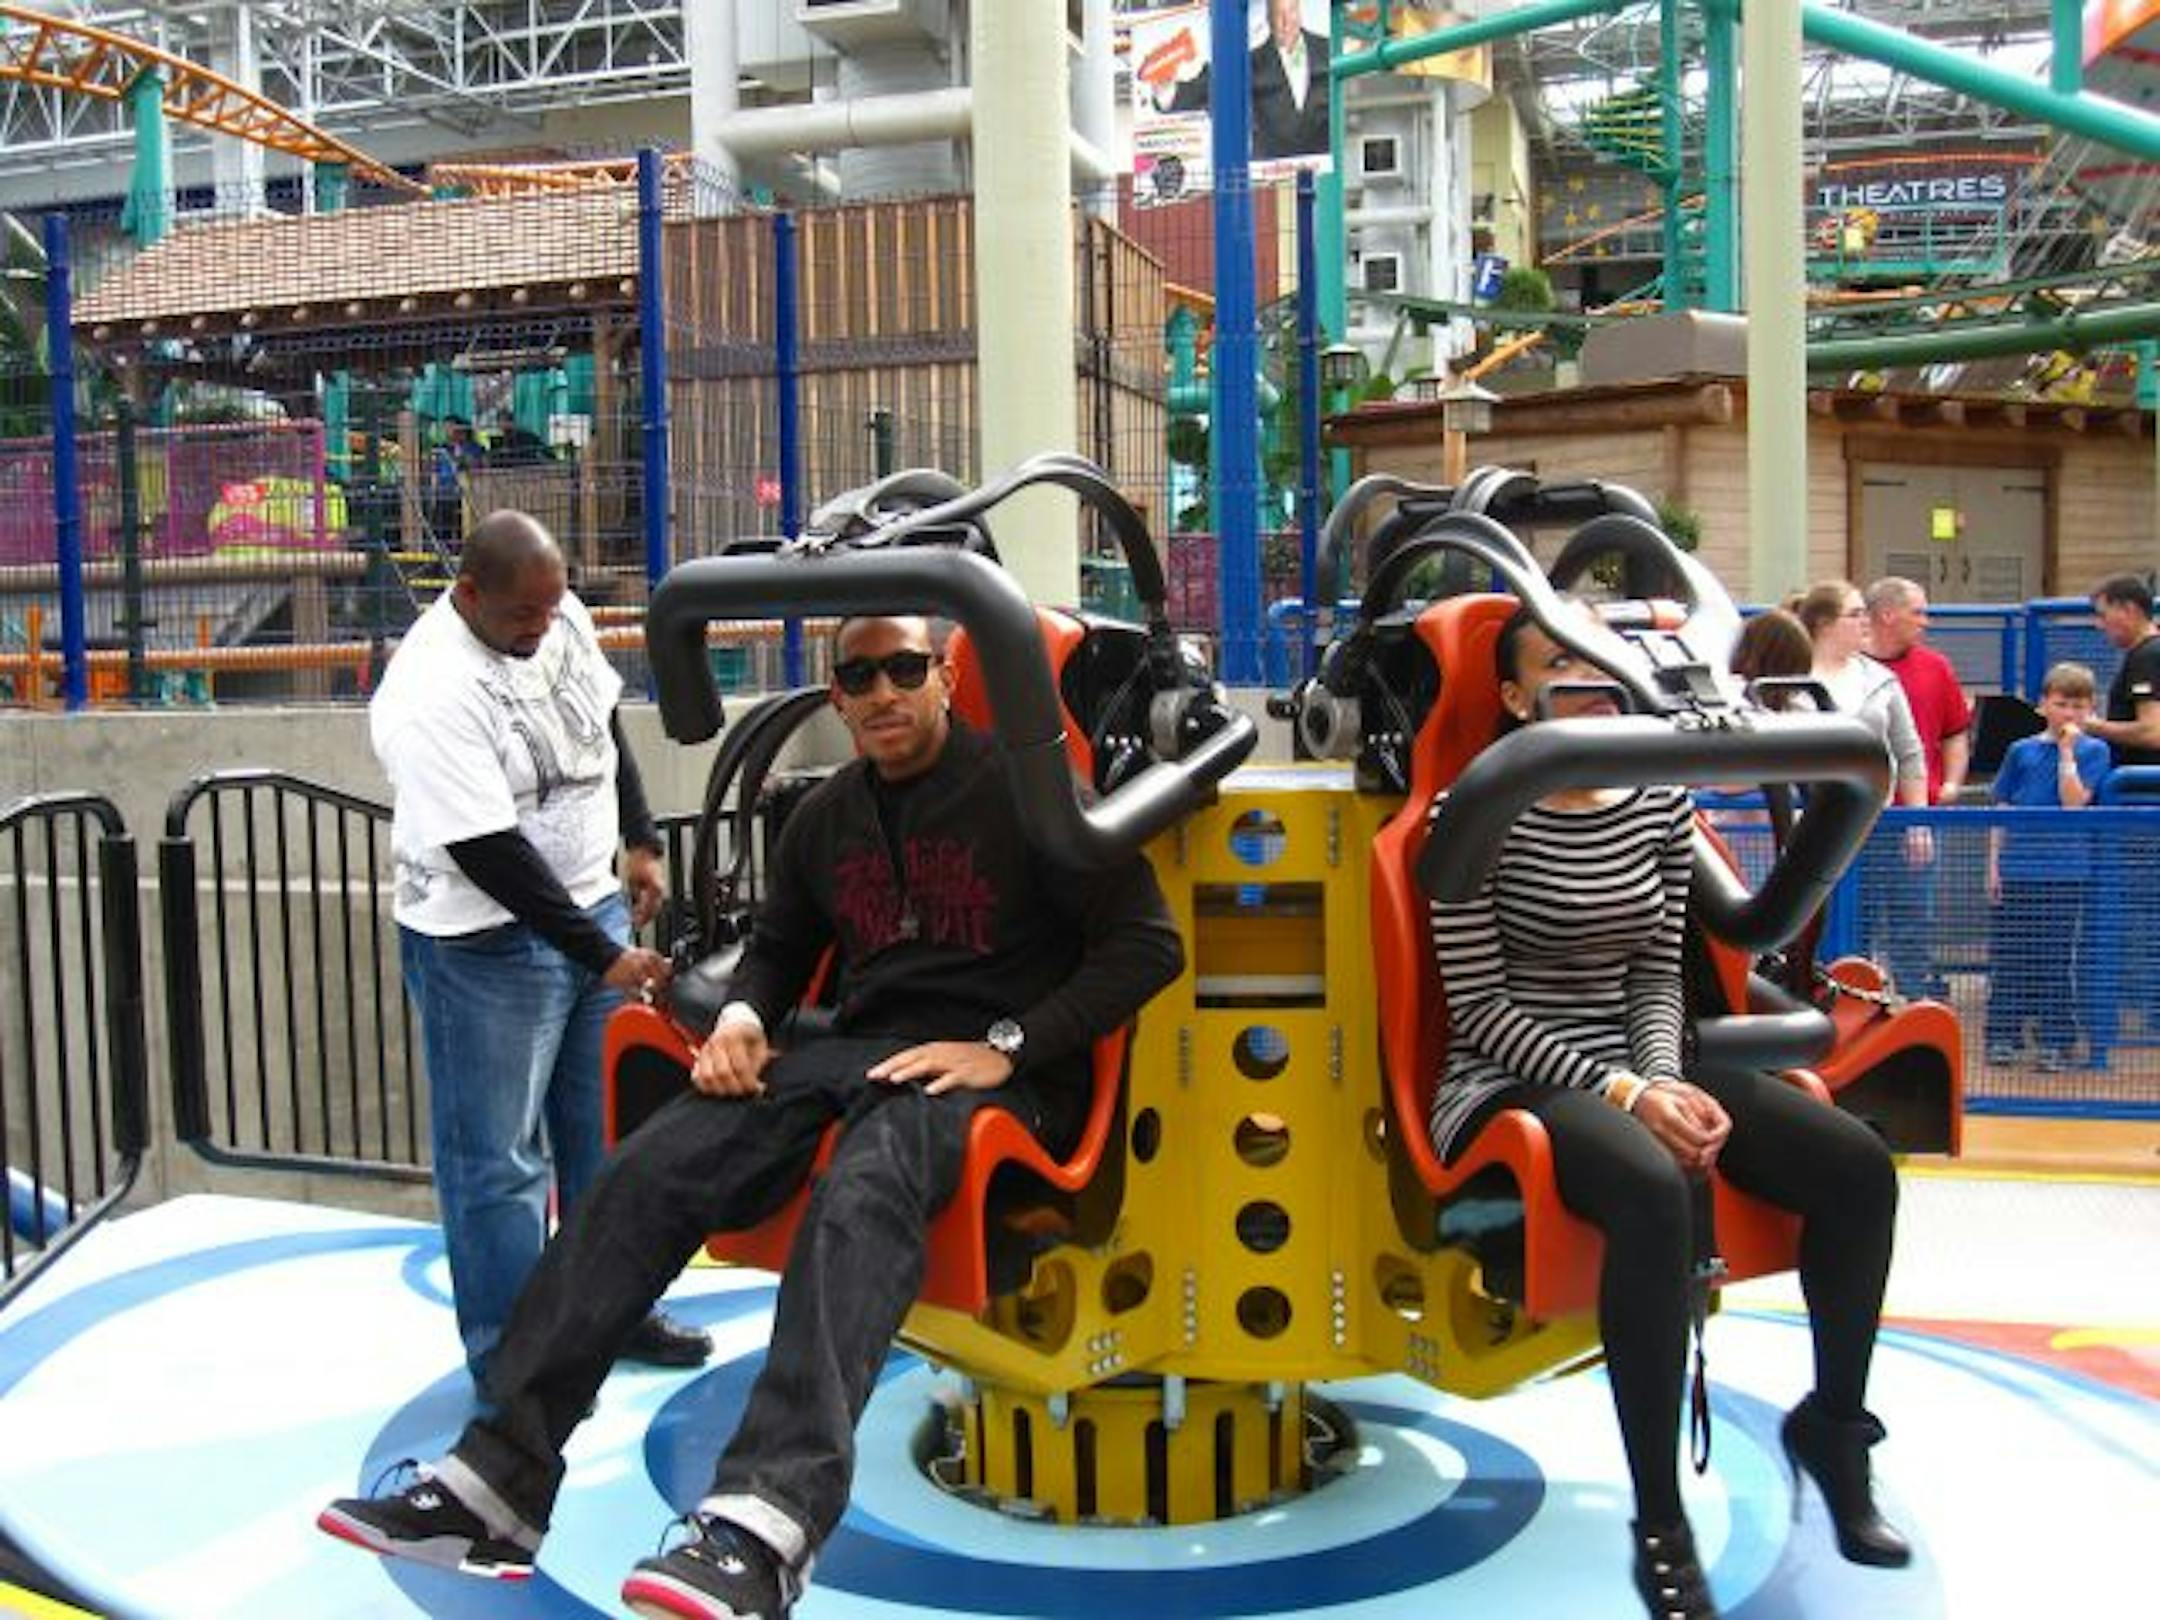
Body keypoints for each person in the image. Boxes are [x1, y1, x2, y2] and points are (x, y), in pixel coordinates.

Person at [322, 614, 1186, 1619]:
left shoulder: (1031, 796)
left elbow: (1146, 946)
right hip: (851, 1055)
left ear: (948, 677)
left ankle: (763, 1528)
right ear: (835, 697)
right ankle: (497, 1489)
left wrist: (1002, 1047)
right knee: (647, 1168)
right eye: (858, 677)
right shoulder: (828, 818)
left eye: (905, 669)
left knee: (864, 1188)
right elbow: (780, 946)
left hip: (991, 1082)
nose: (882, 693)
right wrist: (739, 1018)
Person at [1426, 603, 1908, 1620]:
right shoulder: (1471, 814)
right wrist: (1628, 1094)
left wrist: (1663, 1076)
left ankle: (1833, 1424)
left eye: (1600, 658)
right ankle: (1659, 1518)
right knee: (1648, 1184)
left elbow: (1655, 969)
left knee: (1857, 1166)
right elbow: (1481, 1010)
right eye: (1559, 662)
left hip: (1641, 1056)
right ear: (1515, 696)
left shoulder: (1653, 801)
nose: (1589, 676)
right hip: (1512, 1076)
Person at [369, 509, 709, 1382]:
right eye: (524, 615)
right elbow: (489, 854)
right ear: (470, 594)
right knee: (500, 1165)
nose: (543, 628)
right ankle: (517, 1359)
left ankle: (611, 1314)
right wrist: (602, 957)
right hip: (484, 946)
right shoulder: (429, 690)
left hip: (590, 914)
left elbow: (601, 721)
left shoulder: (555, 617)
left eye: (554, 609)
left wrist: (639, 838)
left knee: (604, 1135)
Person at [1798, 580, 1935, 996]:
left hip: (1879, 826)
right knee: (1824, 922)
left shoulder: (1881, 680)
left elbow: (1908, 754)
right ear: (1824, 623)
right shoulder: (1790, 678)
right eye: (1854, 614)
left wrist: (1917, 823)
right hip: (1813, 827)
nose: (1865, 622)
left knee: (1905, 920)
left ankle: (1905, 1007)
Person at [1986, 662, 2111, 1070]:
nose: (2069, 714)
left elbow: (2075, 802)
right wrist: (1994, 866)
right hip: (2019, 868)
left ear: (2090, 709)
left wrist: (2067, 754)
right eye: (2061, 704)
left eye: (2078, 705)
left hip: (2065, 872)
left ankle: (2056, 1040)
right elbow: (2002, 807)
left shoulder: (2095, 751)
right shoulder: (2020, 751)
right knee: (2010, 957)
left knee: (2055, 958)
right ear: (2043, 706)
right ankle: (2003, 1036)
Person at [1154, 0, 1331, 162]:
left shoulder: (1329, 48)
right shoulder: (1251, 61)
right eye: (1278, 16)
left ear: (1299, 12)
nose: (1286, 23)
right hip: (1271, 172)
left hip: (1328, 167)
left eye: (1291, 12)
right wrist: (1165, 91)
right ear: (1268, 19)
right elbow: (1208, 86)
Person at [1864, 577, 1972, 804]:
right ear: (1887, 615)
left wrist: (1951, 784)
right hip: (1860, 807)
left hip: (1924, 804)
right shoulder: (1850, 667)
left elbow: (1954, 733)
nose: (1925, 622)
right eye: (1917, 613)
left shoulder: (1937, 668)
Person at [2086, 573, 2160, 768]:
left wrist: (2093, 726)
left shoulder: (2147, 657)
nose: (2099, 625)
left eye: (2104, 615)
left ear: (2129, 610)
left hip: (2143, 787)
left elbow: (2153, 733)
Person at [489, 407, 553, 468]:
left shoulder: (528, 437)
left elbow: (546, 452)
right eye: (502, 421)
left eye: (506, 421)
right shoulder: (499, 442)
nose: (504, 424)